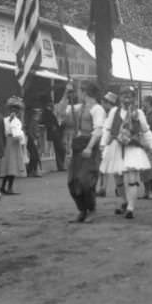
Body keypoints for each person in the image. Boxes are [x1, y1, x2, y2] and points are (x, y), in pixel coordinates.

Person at [100, 85, 152, 220]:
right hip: (116, 146)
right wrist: (103, 144)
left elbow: (145, 130)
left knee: (132, 177)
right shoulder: (114, 111)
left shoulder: (138, 113)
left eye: (129, 96)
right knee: (118, 176)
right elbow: (107, 128)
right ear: (120, 97)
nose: (127, 98)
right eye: (124, 95)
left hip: (133, 147)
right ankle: (124, 201)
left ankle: (131, 207)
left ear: (133, 98)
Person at [67, 82, 106, 223]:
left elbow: (98, 130)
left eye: (79, 91)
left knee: (85, 181)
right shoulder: (80, 107)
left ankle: (92, 209)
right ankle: (82, 210)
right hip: (78, 146)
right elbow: (61, 111)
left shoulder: (97, 109)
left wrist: (89, 147)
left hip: (90, 145)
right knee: (72, 181)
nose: (78, 94)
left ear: (85, 92)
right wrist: (66, 94)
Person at [0, 95, 28, 195]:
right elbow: (15, 132)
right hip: (12, 142)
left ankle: (3, 186)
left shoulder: (8, 120)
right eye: (14, 109)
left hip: (10, 142)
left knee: (9, 166)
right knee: (12, 166)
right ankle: (9, 188)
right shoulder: (11, 120)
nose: (16, 111)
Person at [96, 91, 119, 197]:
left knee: (109, 166)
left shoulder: (113, 112)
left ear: (107, 102)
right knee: (107, 166)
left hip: (111, 142)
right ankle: (105, 188)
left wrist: (103, 143)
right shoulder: (110, 112)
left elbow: (108, 129)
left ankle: (109, 188)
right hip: (110, 142)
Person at [25, 106, 43, 177]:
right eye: (39, 113)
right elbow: (30, 132)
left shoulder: (35, 121)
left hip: (34, 140)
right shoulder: (33, 121)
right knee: (35, 157)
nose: (40, 114)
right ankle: (33, 171)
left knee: (34, 157)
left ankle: (30, 171)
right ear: (36, 114)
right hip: (32, 141)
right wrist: (34, 140)